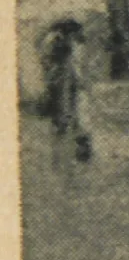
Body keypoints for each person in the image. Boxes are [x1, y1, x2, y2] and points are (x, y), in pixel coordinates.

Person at [40, 18, 92, 162]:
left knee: (79, 115)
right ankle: (65, 152)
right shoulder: (55, 41)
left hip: (72, 83)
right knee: (65, 115)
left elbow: (79, 65)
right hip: (63, 82)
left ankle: (81, 148)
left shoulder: (74, 45)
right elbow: (49, 62)